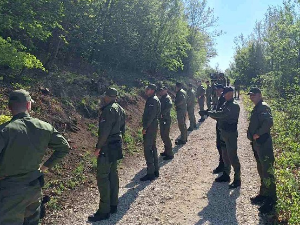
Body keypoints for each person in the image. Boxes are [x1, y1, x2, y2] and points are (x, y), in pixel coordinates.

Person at [0, 89, 70, 225]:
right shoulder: (44, 127)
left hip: (9, 192)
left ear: (9, 107)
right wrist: (44, 167)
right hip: (34, 188)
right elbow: (64, 148)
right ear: (28, 105)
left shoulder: (4, 131)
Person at [88, 87, 126, 222]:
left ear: (108, 97)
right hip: (116, 144)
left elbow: (104, 132)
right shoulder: (120, 109)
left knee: (103, 177)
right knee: (113, 174)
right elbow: (123, 128)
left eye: (105, 96)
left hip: (107, 146)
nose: (103, 98)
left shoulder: (108, 110)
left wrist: (98, 147)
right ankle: (113, 204)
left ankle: (104, 211)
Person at [247, 87, 276, 214]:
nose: (251, 97)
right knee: (261, 169)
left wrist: (258, 133)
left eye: (253, 95)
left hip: (263, 143)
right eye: (250, 95)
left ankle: (271, 200)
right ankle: (263, 194)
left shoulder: (263, 106)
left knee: (267, 171)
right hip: (258, 144)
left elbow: (269, 122)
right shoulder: (257, 106)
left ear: (259, 95)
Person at [208, 87, 241, 189]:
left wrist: (209, 113)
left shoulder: (234, 105)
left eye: (225, 93)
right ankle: (226, 174)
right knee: (225, 154)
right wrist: (211, 113)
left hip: (230, 133)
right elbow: (219, 114)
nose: (223, 95)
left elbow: (221, 114)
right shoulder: (226, 103)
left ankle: (237, 179)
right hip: (223, 132)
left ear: (230, 93)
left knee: (232, 156)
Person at [140, 84, 161, 181]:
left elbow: (151, 116)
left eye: (147, 89)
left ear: (152, 90)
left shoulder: (153, 100)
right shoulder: (154, 99)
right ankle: (155, 170)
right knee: (153, 147)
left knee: (148, 149)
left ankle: (150, 173)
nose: (146, 90)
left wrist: (145, 127)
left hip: (150, 127)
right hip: (153, 126)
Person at [212, 84, 226, 174]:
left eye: (218, 90)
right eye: (216, 90)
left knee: (222, 146)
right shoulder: (221, 98)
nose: (216, 91)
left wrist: (210, 113)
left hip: (223, 126)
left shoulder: (223, 99)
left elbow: (220, 114)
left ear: (222, 90)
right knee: (219, 146)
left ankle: (223, 165)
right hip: (220, 125)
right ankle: (222, 164)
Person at [158, 86, 174, 160]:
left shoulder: (167, 98)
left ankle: (170, 153)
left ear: (166, 90)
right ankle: (166, 151)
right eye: (161, 90)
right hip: (162, 119)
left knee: (166, 136)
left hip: (166, 119)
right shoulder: (162, 97)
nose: (161, 92)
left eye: (163, 90)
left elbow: (170, 105)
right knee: (163, 135)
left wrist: (163, 113)